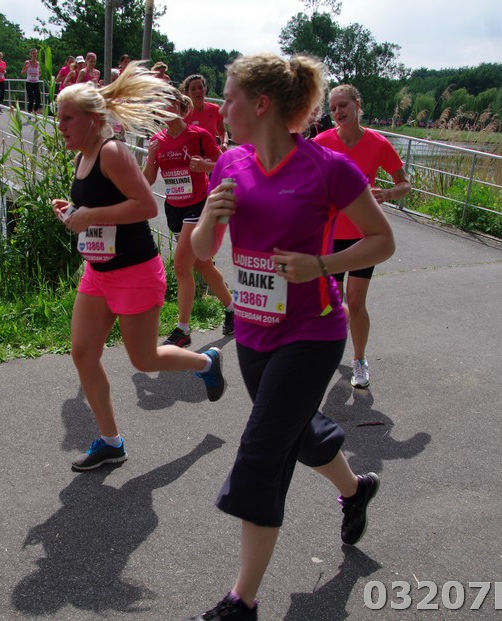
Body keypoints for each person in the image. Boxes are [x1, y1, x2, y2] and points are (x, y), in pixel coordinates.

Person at [188, 53, 395, 620]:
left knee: (263, 449)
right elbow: (203, 250)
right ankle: (356, 490)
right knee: (297, 432)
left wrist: (321, 265)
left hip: (312, 331)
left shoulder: (329, 169)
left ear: (261, 105)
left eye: (229, 98)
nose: (221, 110)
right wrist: (210, 217)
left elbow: (382, 240)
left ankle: (242, 601)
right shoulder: (229, 162)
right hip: (254, 333)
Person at [51, 62, 227, 473]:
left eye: (67, 118)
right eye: (59, 117)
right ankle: (111, 442)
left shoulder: (112, 151)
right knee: (83, 353)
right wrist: (73, 211)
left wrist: (89, 215)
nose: (60, 126)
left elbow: (146, 206)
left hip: (134, 272)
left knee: (145, 360)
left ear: (92, 119)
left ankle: (206, 362)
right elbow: (103, 207)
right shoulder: (83, 157)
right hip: (99, 271)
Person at [314, 84, 411, 389]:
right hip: (330, 234)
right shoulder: (322, 142)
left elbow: (404, 183)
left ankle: (359, 360)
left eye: (343, 105)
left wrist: (388, 193)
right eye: (333, 108)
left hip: (364, 236)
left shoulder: (378, 143)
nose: (338, 112)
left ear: (357, 105)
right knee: (331, 303)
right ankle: (326, 353)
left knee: (355, 302)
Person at [143, 90, 235, 346]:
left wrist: (206, 167)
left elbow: (227, 166)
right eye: (158, 104)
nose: (163, 108)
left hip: (199, 205)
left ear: (178, 105)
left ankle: (183, 329)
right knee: (203, 265)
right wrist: (150, 157)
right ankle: (232, 309)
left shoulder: (198, 135)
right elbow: (148, 180)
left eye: (168, 103)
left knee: (182, 265)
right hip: (174, 208)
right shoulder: (157, 140)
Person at [182, 74, 228, 150]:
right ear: (187, 93)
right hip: (191, 155)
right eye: (193, 89)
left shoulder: (215, 109)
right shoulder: (183, 114)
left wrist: (224, 143)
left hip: (213, 154)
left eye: (200, 87)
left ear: (205, 89)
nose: (198, 91)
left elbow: (222, 131)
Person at [20, 48, 43, 114]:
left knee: (38, 99)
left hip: (36, 82)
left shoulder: (38, 63)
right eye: (33, 53)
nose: (35, 55)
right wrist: (26, 68)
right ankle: (29, 112)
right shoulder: (27, 62)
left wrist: (39, 74)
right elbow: (22, 73)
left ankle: (35, 111)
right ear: (31, 54)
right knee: (31, 99)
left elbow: (40, 72)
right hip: (29, 83)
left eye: (36, 53)